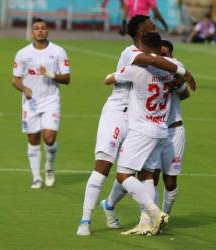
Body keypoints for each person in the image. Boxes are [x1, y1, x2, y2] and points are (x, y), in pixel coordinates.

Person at [76, 15, 196, 236]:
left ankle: (127, 212)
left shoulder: (158, 60)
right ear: (142, 33)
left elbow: (159, 69)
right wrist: (181, 72)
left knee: (143, 172)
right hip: (118, 112)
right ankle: (85, 221)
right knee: (104, 165)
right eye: (151, 24)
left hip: (140, 118)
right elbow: (151, 61)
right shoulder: (131, 54)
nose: (155, 26)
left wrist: (177, 77)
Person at [101, 39, 192, 236]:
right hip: (159, 129)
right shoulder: (174, 71)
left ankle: (157, 215)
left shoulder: (143, 70)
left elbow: (109, 79)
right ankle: (145, 221)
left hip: (153, 130)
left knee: (129, 176)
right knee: (148, 177)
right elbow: (184, 83)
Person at [12, 18, 70, 189]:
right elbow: (15, 79)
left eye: (43, 28)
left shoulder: (58, 51)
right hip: (31, 103)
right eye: (36, 28)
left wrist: (51, 74)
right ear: (32, 32)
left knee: (49, 138)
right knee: (33, 138)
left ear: (47, 31)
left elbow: (67, 78)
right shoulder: (22, 53)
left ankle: (50, 167)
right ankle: (36, 177)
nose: (40, 31)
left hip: (51, 100)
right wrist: (24, 88)